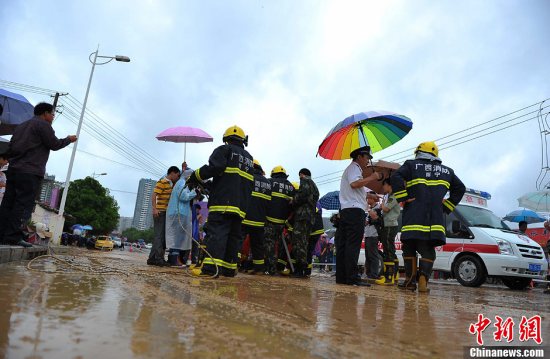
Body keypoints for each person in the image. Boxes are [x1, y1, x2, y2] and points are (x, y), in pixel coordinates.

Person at [391, 141, 465, 293]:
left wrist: (403, 197)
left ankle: (410, 282)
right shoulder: (447, 171)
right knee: (428, 250)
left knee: (409, 248)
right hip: (435, 220)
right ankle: (424, 278)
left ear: (419, 152)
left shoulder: (411, 165)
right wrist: (446, 207)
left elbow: (396, 176)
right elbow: (460, 188)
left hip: (413, 216)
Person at [0, 103, 76, 247]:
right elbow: (54, 144)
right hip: (30, 171)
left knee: (8, 203)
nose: (53, 117)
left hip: (14, 170)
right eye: (52, 114)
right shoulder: (43, 125)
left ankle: (2, 235)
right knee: (22, 204)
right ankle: (13, 237)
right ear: (45, 113)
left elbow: (10, 149)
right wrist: (68, 139)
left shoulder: (20, 126)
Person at [187, 125, 254, 278]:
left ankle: (210, 269)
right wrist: (209, 186)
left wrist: (195, 176)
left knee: (217, 234)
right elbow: (232, 181)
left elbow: (214, 168)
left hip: (223, 204)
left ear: (226, 139)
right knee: (233, 237)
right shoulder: (249, 159)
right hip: (240, 206)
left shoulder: (224, 150)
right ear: (243, 140)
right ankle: (229, 269)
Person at [337, 145, 380, 286]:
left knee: (344, 244)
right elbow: (355, 184)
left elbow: (354, 189)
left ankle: (342, 277)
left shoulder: (351, 170)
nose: (368, 160)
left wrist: (368, 194)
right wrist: (372, 177)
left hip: (347, 211)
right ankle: (352, 278)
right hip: (354, 211)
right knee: (352, 245)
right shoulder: (355, 168)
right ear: (360, 156)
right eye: (367, 157)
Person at [241, 159, 271, 274]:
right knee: (258, 245)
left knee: (238, 241)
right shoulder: (267, 183)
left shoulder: (247, 177)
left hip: (245, 217)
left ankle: (233, 265)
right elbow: (269, 202)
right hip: (260, 220)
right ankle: (259, 269)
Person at [264, 165, 295, 275]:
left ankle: (270, 269)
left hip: (269, 220)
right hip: (282, 223)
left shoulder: (269, 182)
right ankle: (275, 267)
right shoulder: (291, 187)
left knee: (269, 245)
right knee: (276, 245)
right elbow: (292, 205)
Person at [147, 166, 181, 266]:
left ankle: (152, 259)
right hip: (160, 212)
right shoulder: (162, 182)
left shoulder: (171, 184)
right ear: (173, 173)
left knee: (160, 236)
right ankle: (159, 259)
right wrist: (155, 208)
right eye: (177, 175)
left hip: (166, 213)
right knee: (159, 236)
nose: (178, 177)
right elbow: (154, 195)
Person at [290, 168, 319, 278]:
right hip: (309, 217)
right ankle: (302, 268)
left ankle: (299, 268)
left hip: (302, 216)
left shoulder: (305, 181)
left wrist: (293, 199)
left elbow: (303, 195)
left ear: (302, 174)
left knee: (298, 242)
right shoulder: (314, 185)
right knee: (304, 242)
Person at [165, 172, 197, 267]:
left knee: (176, 237)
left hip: (178, 213)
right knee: (178, 238)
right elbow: (183, 197)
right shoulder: (182, 183)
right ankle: (174, 260)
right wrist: (194, 193)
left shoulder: (182, 183)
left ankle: (173, 259)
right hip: (179, 213)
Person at [375, 179, 401, 285]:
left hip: (390, 225)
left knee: (388, 250)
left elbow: (386, 209)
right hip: (389, 225)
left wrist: (382, 205)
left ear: (389, 185)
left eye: (384, 185)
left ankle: (389, 277)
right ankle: (394, 275)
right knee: (390, 249)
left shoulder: (393, 196)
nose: (383, 188)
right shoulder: (390, 196)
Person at [364, 192, 382, 283]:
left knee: (373, 255)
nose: (367, 200)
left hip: (373, 235)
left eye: (369, 198)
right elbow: (367, 222)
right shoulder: (370, 209)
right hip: (367, 234)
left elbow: (376, 218)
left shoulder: (378, 208)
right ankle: (369, 274)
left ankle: (374, 274)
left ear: (373, 198)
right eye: (367, 198)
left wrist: (368, 210)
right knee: (368, 255)